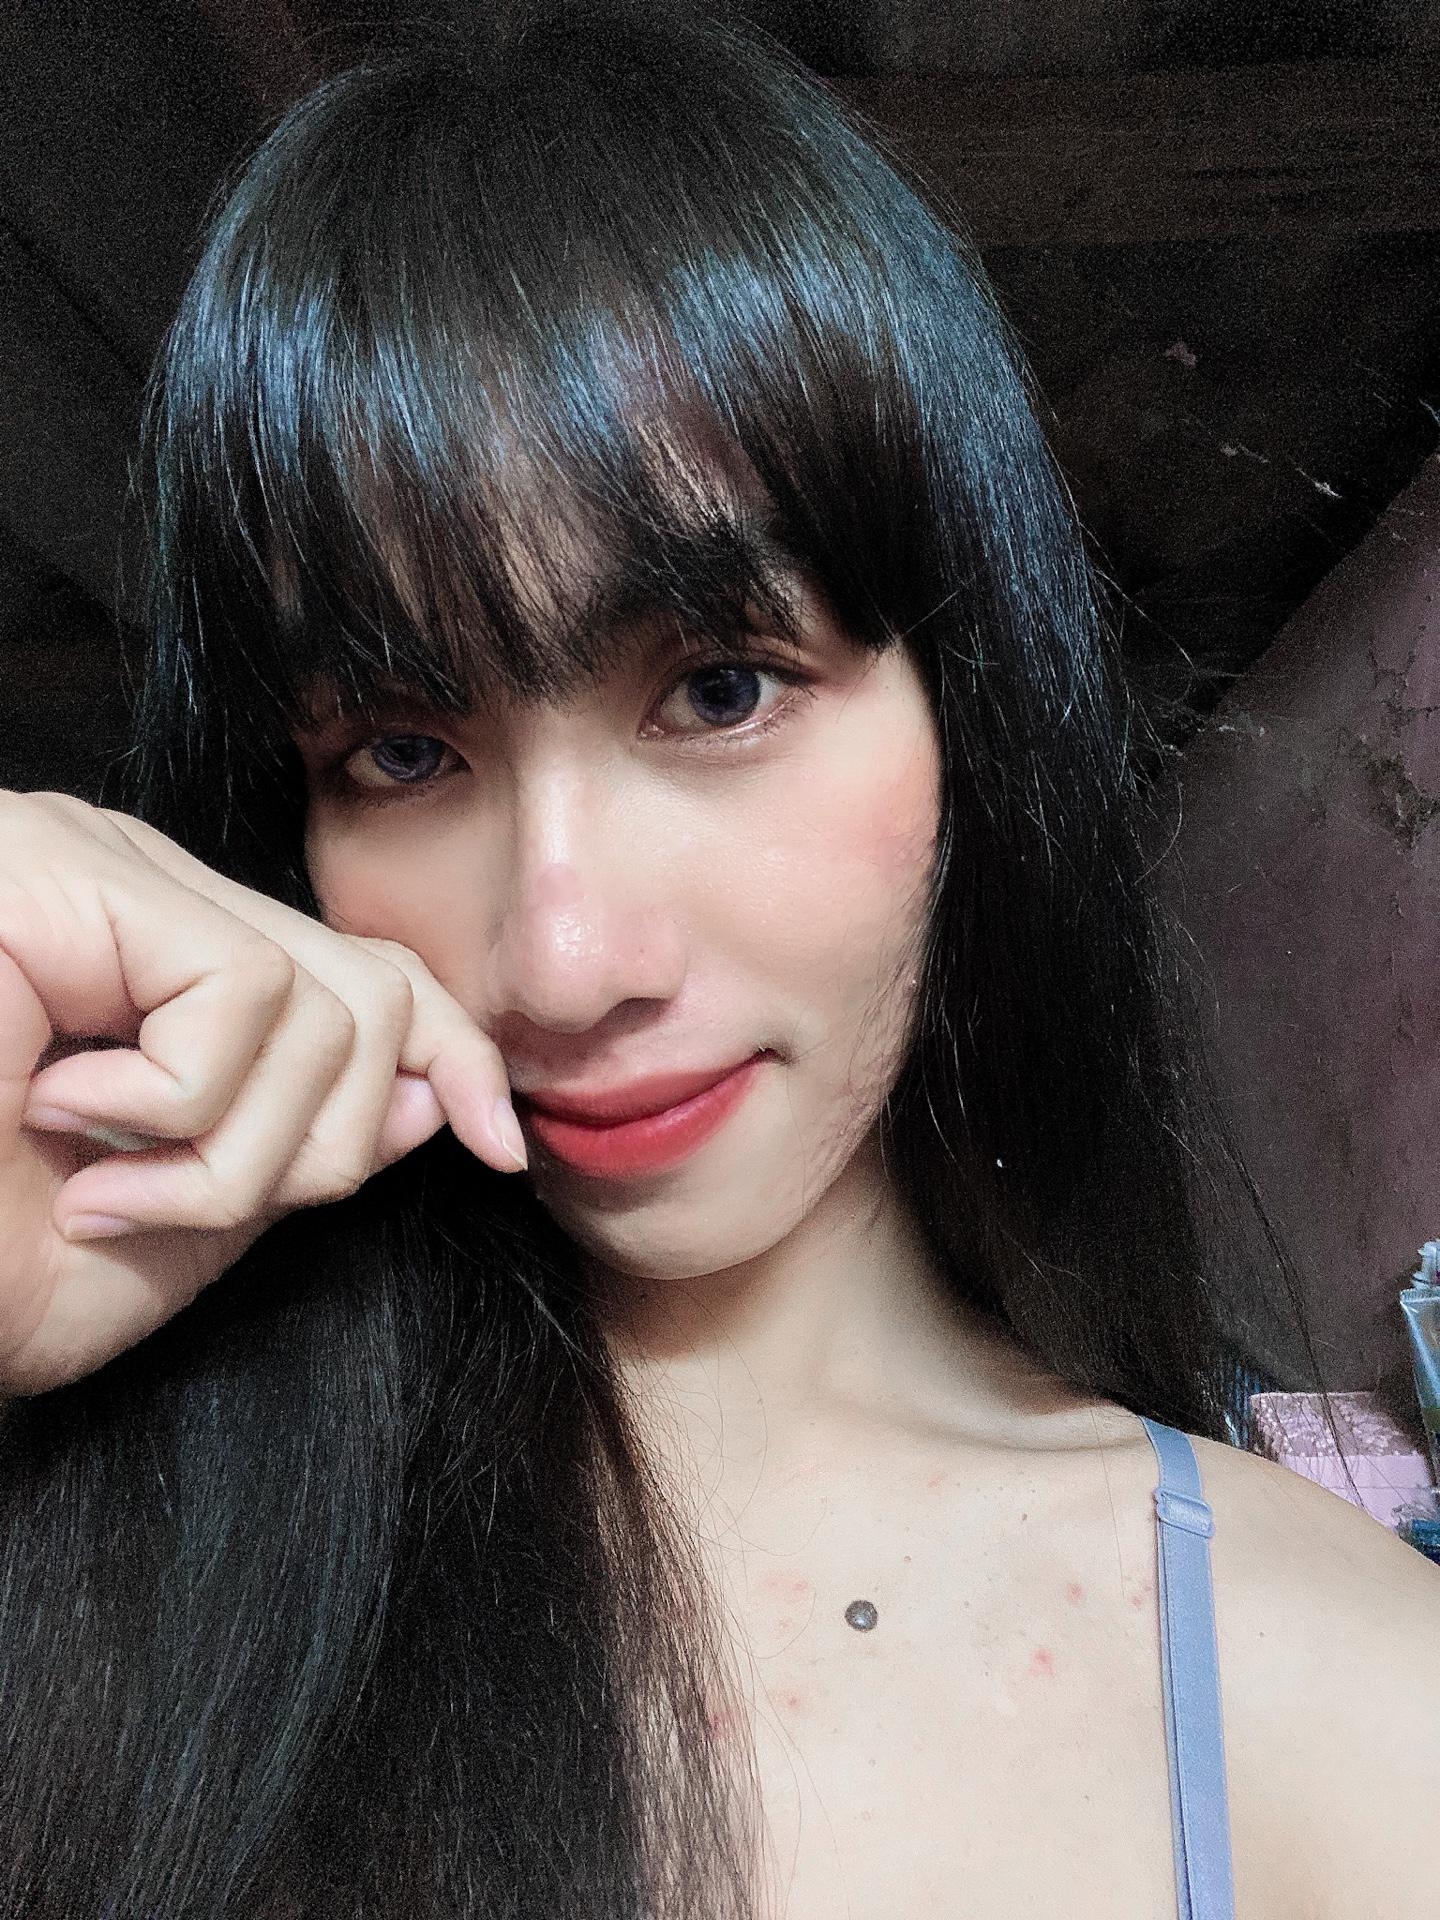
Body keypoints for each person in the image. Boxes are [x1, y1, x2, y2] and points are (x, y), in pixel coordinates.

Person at [0, 4, 1435, 1916]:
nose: (562, 961)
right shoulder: (128, 1539)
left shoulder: (1348, 1704)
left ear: (972, 708)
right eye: (404, 753)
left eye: (724, 688)